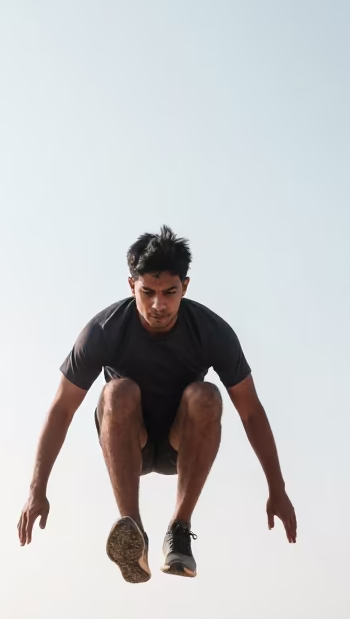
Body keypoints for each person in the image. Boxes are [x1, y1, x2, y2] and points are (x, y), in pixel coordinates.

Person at [17, 225, 297, 582]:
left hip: (183, 445)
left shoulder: (211, 332)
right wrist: (36, 489)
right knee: (117, 392)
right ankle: (132, 529)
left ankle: (179, 530)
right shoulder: (104, 331)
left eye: (170, 292)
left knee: (206, 394)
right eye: (147, 292)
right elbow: (61, 409)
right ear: (131, 285)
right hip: (131, 440)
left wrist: (277, 488)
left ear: (186, 287)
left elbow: (251, 410)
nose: (158, 305)